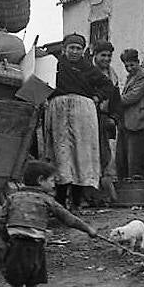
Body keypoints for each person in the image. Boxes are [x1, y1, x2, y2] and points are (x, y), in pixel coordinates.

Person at [0, 160, 98, 287]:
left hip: (17, 247)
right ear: (40, 180)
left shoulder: (13, 198)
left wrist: (7, 238)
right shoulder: (47, 200)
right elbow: (68, 218)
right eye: (51, 181)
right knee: (33, 285)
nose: (54, 184)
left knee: (16, 286)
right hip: (37, 248)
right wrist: (88, 229)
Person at [45, 33, 115, 210]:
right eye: (71, 48)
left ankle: (76, 201)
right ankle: (60, 201)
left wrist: (97, 97)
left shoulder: (88, 68)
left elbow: (107, 86)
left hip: (82, 115)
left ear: (83, 51)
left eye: (78, 48)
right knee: (61, 153)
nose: (75, 52)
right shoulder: (55, 65)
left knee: (80, 155)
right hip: (59, 112)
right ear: (64, 49)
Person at [117, 48, 144, 180]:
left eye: (132, 65)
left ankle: (136, 190)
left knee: (135, 159)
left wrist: (113, 100)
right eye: (126, 66)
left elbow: (133, 96)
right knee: (123, 159)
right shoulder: (131, 77)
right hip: (127, 122)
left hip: (138, 122)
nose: (129, 68)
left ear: (138, 62)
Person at [91, 40, 121, 195]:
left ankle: (105, 194)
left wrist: (114, 118)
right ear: (95, 55)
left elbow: (117, 101)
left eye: (109, 56)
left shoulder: (112, 75)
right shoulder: (88, 72)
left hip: (105, 120)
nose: (107, 59)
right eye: (103, 55)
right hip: (90, 119)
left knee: (106, 157)